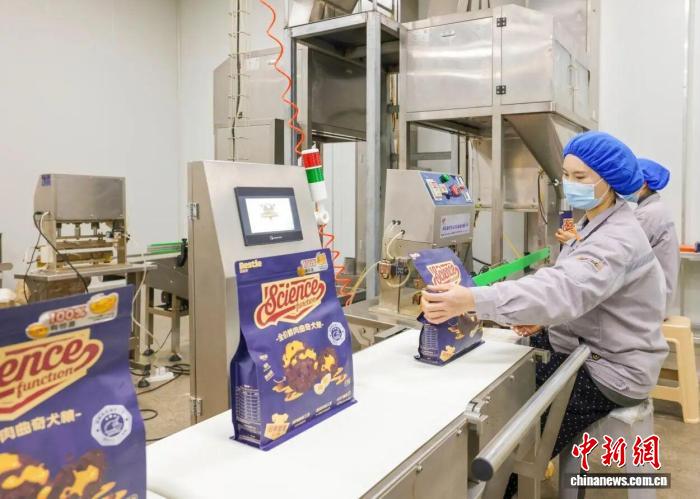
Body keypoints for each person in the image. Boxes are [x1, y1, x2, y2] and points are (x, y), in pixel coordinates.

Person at [421, 131, 669, 497]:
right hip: (591, 345)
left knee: (509, 429)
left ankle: (501, 485)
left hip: (610, 369)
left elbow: (563, 289)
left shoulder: (617, 239)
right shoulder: (593, 222)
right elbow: (581, 292)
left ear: (611, 181)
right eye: (566, 175)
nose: (571, 184)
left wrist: (470, 300)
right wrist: (544, 318)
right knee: (503, 376)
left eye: (581, 177)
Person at [558, 158, 680, 314]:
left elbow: (612, 253)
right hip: (656, 297)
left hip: (649, 304)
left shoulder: (648, 214)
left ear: (643, 184)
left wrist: (574, 242)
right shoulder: (655, 209)